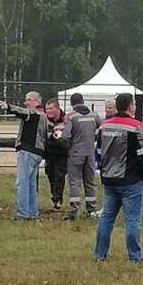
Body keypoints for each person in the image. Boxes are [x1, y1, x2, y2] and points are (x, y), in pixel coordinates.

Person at [94, 93, 143, 264]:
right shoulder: (136, 126)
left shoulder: (104, 126)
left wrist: (103, 171)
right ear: (131, 106)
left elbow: (98, 152)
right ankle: (135, 257)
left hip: (109, 179)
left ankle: (100, 255)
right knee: (132, 220)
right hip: (130, 180)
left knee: (106, 218)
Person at [0, 91, 48, 220]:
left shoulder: (34, 113)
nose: (26, 102)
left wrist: (8, 107)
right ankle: (32, 212)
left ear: (36, 101)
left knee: (22, 183)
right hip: (37, 153)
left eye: (28, 100)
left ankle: (22, 213)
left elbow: (22, 112)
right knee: (31, 185)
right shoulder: (44, 116)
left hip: (27, 152)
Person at [63, 92, 102, 220]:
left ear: (71, 103)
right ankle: (92, 209)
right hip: (90, 153)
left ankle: (74, 210)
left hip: (75, 153)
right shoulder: (94, 115)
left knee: (74, 182)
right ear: (83, 101)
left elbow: (65, 136)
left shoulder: (70, 117)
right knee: (90, 182)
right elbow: (101, 129)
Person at [44, 99, 69, 210]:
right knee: (50, 174)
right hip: (49, 152)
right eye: (47, 109)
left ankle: (57, 198)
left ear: (57, 109)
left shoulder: (66, 119)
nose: (48, 111)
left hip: (62, 152)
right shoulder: (44, 120)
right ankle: (54, 194)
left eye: (51, 108)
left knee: (59, 175)